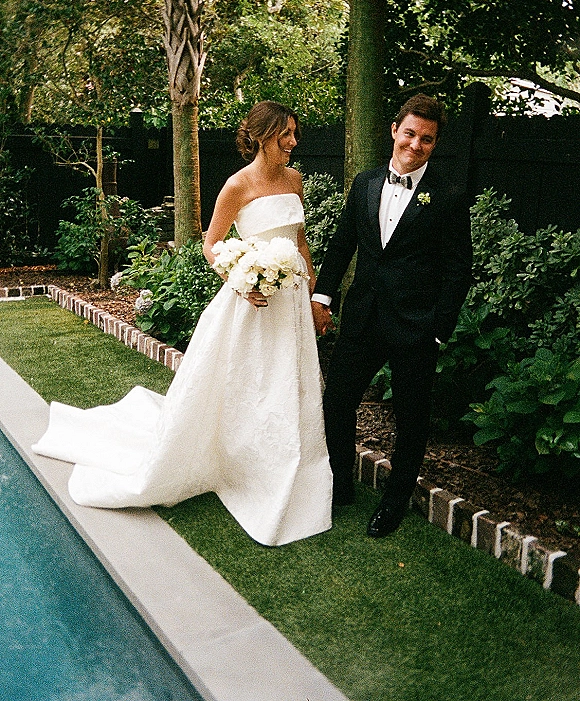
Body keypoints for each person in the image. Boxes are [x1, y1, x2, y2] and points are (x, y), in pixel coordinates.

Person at [33, 101, 333, 547]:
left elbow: (299, 241)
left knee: (290, 384)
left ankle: (288, 467)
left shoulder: (295, 180)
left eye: (294, 134)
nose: (293, 143)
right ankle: (240, 463)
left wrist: (311, 296)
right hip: (250, 302)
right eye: (285, 134)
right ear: (262, 136)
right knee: (252, 384)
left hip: (291, 302)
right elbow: (212, 245)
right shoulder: (237, 185)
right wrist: (241, 277)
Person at [311, 94, 472, 537]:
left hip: (415, 328)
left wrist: (438, 330)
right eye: (410, 133)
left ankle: (394, 501)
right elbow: (343, 244)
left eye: (427, 139)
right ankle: (340, 485)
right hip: (362, 318)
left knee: (411, 418)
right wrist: (322, 298)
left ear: (435, 144)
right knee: (337, 403)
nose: (416, 145)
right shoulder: (364, 183)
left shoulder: (450, 195)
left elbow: (460, 269)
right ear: (394, 130)